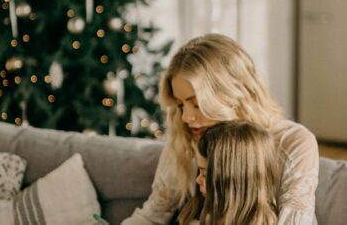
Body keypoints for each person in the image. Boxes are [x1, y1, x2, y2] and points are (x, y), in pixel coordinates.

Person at [121, 34, 319, 225]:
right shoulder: (186, 138)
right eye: (181, 105)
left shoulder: (292, 143)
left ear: (233, 94)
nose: (186, 117)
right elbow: (152, 216)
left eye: (197, 104)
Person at [178, 120, 278, 225]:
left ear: (235, 180)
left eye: (205, 174)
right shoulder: (198, 212)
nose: (197, 180)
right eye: (199, 171)